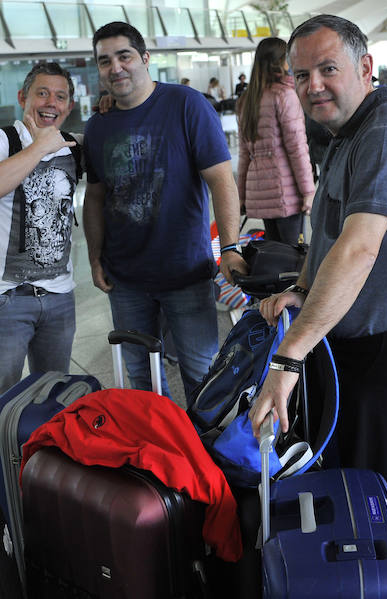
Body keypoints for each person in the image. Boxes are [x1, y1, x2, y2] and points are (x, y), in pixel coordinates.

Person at [247, 16, 387, 589]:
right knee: (357, 508)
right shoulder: (347, 136)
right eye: (302, 74)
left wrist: (288, 357)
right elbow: (329, 234)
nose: (314, 85)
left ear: (366, 69)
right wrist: (305, 291)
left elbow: (360, 247)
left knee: (384, 518)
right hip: (357, 358)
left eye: (328, 69)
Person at [83, 21, 246, 404]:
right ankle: (157, 454)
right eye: (104, 61)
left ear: (145, 58)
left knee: (202, 373)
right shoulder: (99, 125)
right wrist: (94, 258)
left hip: (185, 272)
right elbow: (95, 197)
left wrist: (230, 248)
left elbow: (222, 180)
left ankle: (205, 458)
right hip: (124, 278)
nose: (115, 67)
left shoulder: (186, 104)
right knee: (139, 378)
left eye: (124, 56)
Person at [0, 62, 83, 412]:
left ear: (69, 106)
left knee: (55, 395)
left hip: (59, 296)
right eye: (42, 93)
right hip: (4, 297)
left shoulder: (74, 148)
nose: (51, 103)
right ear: (23, 97)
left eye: (60, 96)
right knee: (0, 398)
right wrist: (40, 147)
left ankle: (41, 467)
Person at [236, 37, 315, 245]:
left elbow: (244, 154)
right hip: (285, 191)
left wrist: (241, 196)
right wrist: (308, 191)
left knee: (274, 256)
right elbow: (297, 148)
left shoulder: (247, 99)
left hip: (259, 191)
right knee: (294, 259)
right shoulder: (284, 95)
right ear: (281, 61)